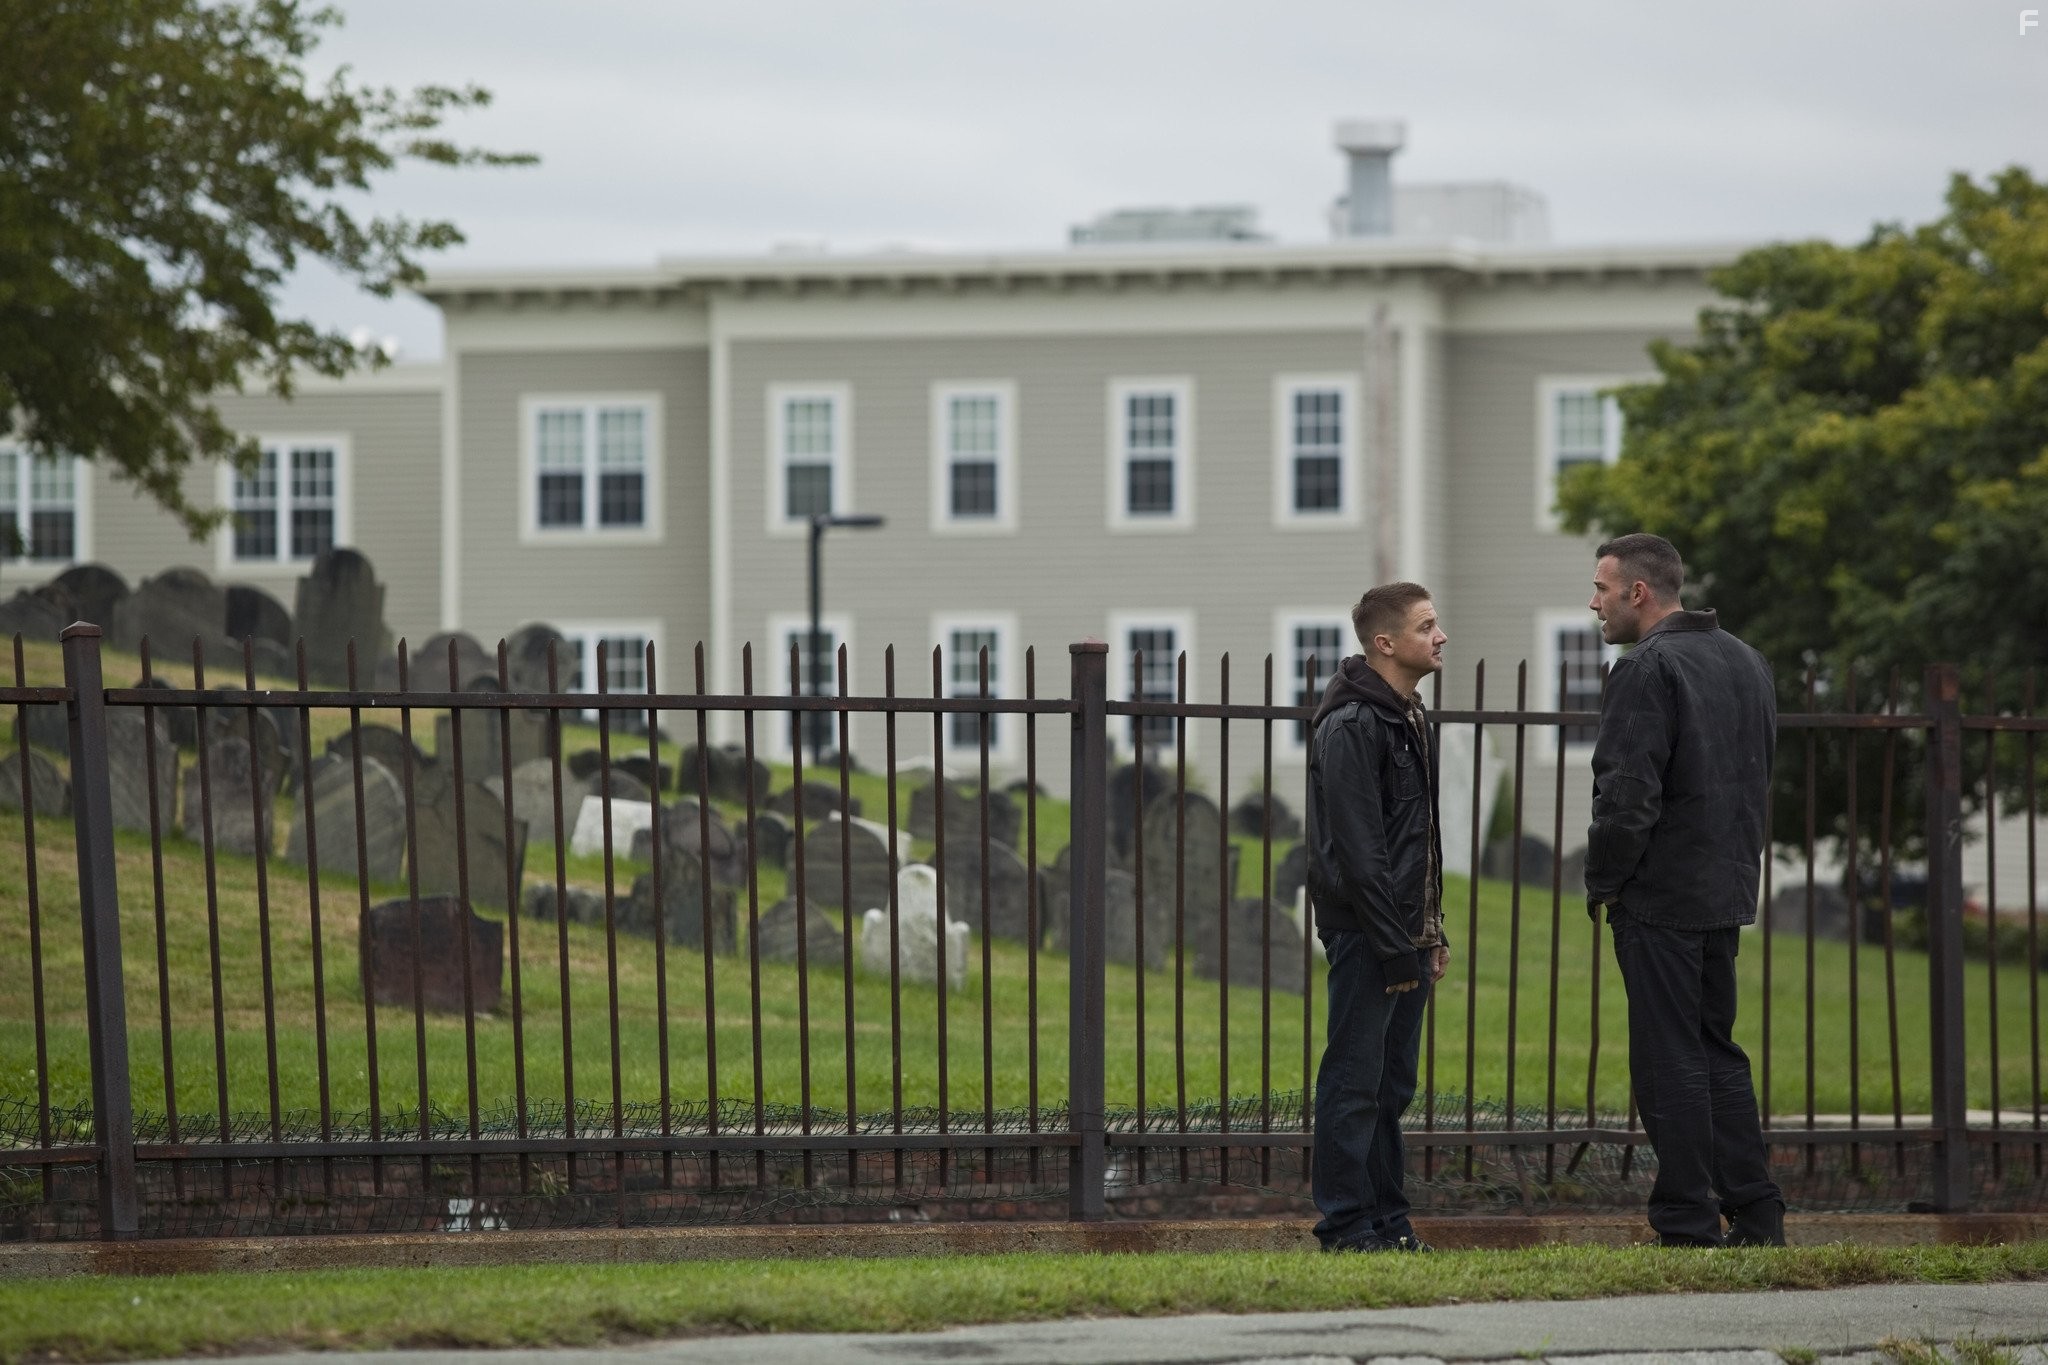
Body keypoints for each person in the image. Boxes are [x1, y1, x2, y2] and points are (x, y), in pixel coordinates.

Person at [1583, 532, 1786, 1248]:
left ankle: (1686, 1221)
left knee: (1667, 1056)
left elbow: (1626, 794)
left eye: (1602, 587)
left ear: (1638, 592)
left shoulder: (1646, 667)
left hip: (1661, 894)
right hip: (1725, 886)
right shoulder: (1748, 661)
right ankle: (1756, 1213)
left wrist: (1606, 879)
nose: (1594, 602)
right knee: (1715, 1050)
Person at [1305, 581, 1451, 1253]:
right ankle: (1345, 1225)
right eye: (1426, 626)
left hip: (1405, 933)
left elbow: (1418, 838)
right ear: (1385, 643)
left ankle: (1389, 1223)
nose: (1440, 636)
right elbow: (1360, 853)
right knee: (1353, 1081)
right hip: (1368, 933)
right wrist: (1395, 947)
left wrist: (1431, 931)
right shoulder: (1352, 723)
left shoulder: (1409, 715)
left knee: (1391, 1086)